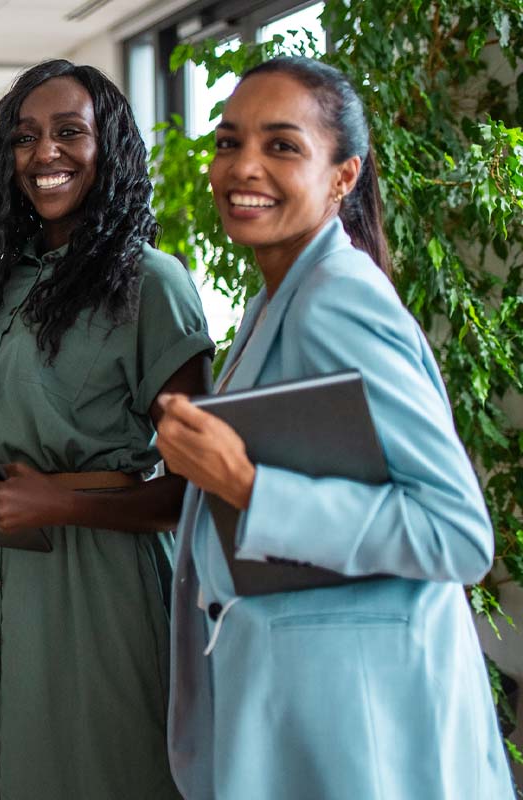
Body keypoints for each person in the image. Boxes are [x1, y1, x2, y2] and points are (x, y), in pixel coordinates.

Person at [155, 56, 513, 799]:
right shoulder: (272, 300)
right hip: (301, 704)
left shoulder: (337, 301)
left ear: (343, 176)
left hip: (358, 723)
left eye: (282, 146)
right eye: (228, 142)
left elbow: (457, 534)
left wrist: (248, 487)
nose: (242, 166)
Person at [0, 60, 214, 799]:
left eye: (70, 132)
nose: (45, 153)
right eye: (25, 137)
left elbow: (197, 490)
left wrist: (62, 504)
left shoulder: (151, 285)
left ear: (109, 148)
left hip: (99, 585)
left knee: (103, 770)